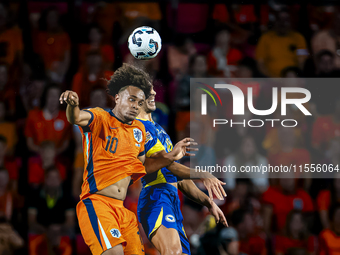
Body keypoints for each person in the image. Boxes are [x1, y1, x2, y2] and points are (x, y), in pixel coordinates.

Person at [60, 63, 197, 255]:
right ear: (117, 98)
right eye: (131, 100)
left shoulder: (138, 131)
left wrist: (171, 156)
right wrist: (73, 105)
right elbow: (76, 118)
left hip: (122, 210)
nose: (135, 106)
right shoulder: (100, 117)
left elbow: (143, 166)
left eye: (139, 103)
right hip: (98, 203)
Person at [137, 87, 227, 255]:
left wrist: (209, 203)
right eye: (148, 92)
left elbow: (179, 178)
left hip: (171, 200)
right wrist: (203, 174)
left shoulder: (159, 130)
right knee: (172, 253)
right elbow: (169, 165)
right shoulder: (142, 129)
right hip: (156, 196)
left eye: (153, 91)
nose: (155, 94)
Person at [255, 9, 308, 77]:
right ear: (275, 21)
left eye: (286, 20)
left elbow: (302, 60)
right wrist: (272, 78)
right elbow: (260, 63)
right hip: (272, 78)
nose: (283, 23)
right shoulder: (265, 38)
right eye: (280, 19)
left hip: (291, 77)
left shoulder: (299, 37)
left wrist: (296, 76)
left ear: (291, 21)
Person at [25, 84, 71, 154]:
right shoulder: (33, 116)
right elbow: (29, 142)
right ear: (45, 97)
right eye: (51, 96)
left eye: (57, 96)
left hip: (58, 158)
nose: (53, 99)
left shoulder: (66, 117)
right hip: (37, 158)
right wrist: (44, 154)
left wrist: (53, 154)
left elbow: (66, 143)